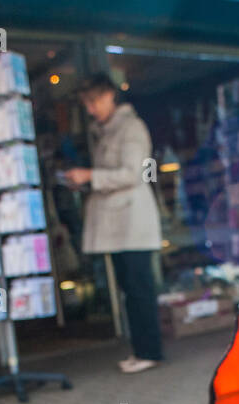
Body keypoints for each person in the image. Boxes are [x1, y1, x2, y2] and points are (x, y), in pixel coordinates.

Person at [64, 75, 164, 373]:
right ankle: (142, 350)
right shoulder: (103, 131)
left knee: (138, 288)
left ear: (110, 95)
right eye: (87, 104)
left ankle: (150, 351)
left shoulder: (131, 127)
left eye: (94, 101)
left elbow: (133, 173)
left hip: (133, 220)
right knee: (129, 288)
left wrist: (90, 176)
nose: (91, 109)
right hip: (120, 221)